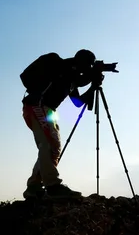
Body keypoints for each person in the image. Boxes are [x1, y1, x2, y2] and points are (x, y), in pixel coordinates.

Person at [20, 49, 102, 200]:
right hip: (37, 105)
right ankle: (52, 186)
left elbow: (78, 103)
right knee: (49, 144)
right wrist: (91, 77)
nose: (88, 69)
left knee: (53, 146)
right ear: (80, 61)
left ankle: (34, 187)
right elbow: (75, 74)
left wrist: (93, 85)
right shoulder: (61, 67)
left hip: (47, 110)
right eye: (88, 65)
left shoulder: (71, 79)